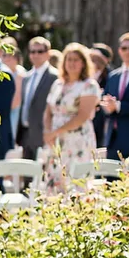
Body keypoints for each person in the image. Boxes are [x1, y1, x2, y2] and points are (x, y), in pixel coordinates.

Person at [43, 43, 101, 193]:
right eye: (69, 59)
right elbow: (48, 111)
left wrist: (56, 132)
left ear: (83, 63)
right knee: (54, 182)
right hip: (55, 141)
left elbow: (83, 115)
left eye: (76, 59)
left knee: (76, 183)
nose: (72, 63)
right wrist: (48, 131)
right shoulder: (57, 84)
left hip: (77, 140)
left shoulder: (89, 85)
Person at [17, 36, 59, 160]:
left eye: (40, 51)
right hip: (25, 134)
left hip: (44, 134)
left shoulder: (54, 77)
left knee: (42, 176)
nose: (35, 55)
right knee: (26, 176)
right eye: (32, 51)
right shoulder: (26, 77)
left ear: (48, 54)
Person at [100, 31, 129, 160]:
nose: (128, 51)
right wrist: (106, 106)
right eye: (124, 48)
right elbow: (105, 100)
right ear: (119, 51)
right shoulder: (113, 76)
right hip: (113, 139)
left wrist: (118, 106)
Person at [1, 39, 25, 142]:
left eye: (10, 55)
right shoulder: (1, 73)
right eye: (4, 55)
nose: (6, 58)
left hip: (13, 114)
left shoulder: (20, 73)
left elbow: (16, 102)